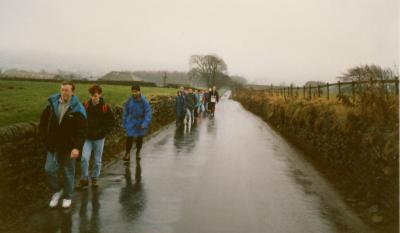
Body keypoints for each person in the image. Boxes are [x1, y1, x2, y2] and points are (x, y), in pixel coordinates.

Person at [39, 80, 87, 208]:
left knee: (68, 172)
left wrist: (77, 147)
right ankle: (56, 192)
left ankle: (67, 196)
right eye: (62, 90)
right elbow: (42, 123)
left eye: (67, 90)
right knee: (49, 169)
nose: (64, 92)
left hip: (69, 147)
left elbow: (81, 131)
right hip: (53, 145)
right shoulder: (51, 105)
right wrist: (45, 138)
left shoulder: (78, 108)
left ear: (72, 92)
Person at [77, 84, 114, 189]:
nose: (94, 98)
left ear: (100, 95)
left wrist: (103, 131)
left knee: (97, 160)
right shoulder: (85, 105)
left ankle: (94, 178)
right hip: (87, 138)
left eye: (96, 95)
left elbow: (111, 121)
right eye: (92, 95)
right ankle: (84, 178)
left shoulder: (105, 107)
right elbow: (79, 118)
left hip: (99, 138)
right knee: (84, 158)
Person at [122, 85, 152, 161]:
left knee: (139, 138)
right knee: (129, 137)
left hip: (140, 122)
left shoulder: (144, 101)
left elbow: (148, 112)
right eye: (133, 91)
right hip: (131, 121)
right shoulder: (129, 100)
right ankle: (127, 153)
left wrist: (145, 123)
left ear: (139, 92)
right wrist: (124, 122)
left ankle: (138, 152)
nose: (134, 93)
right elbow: (126, 111)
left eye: (136, 91)